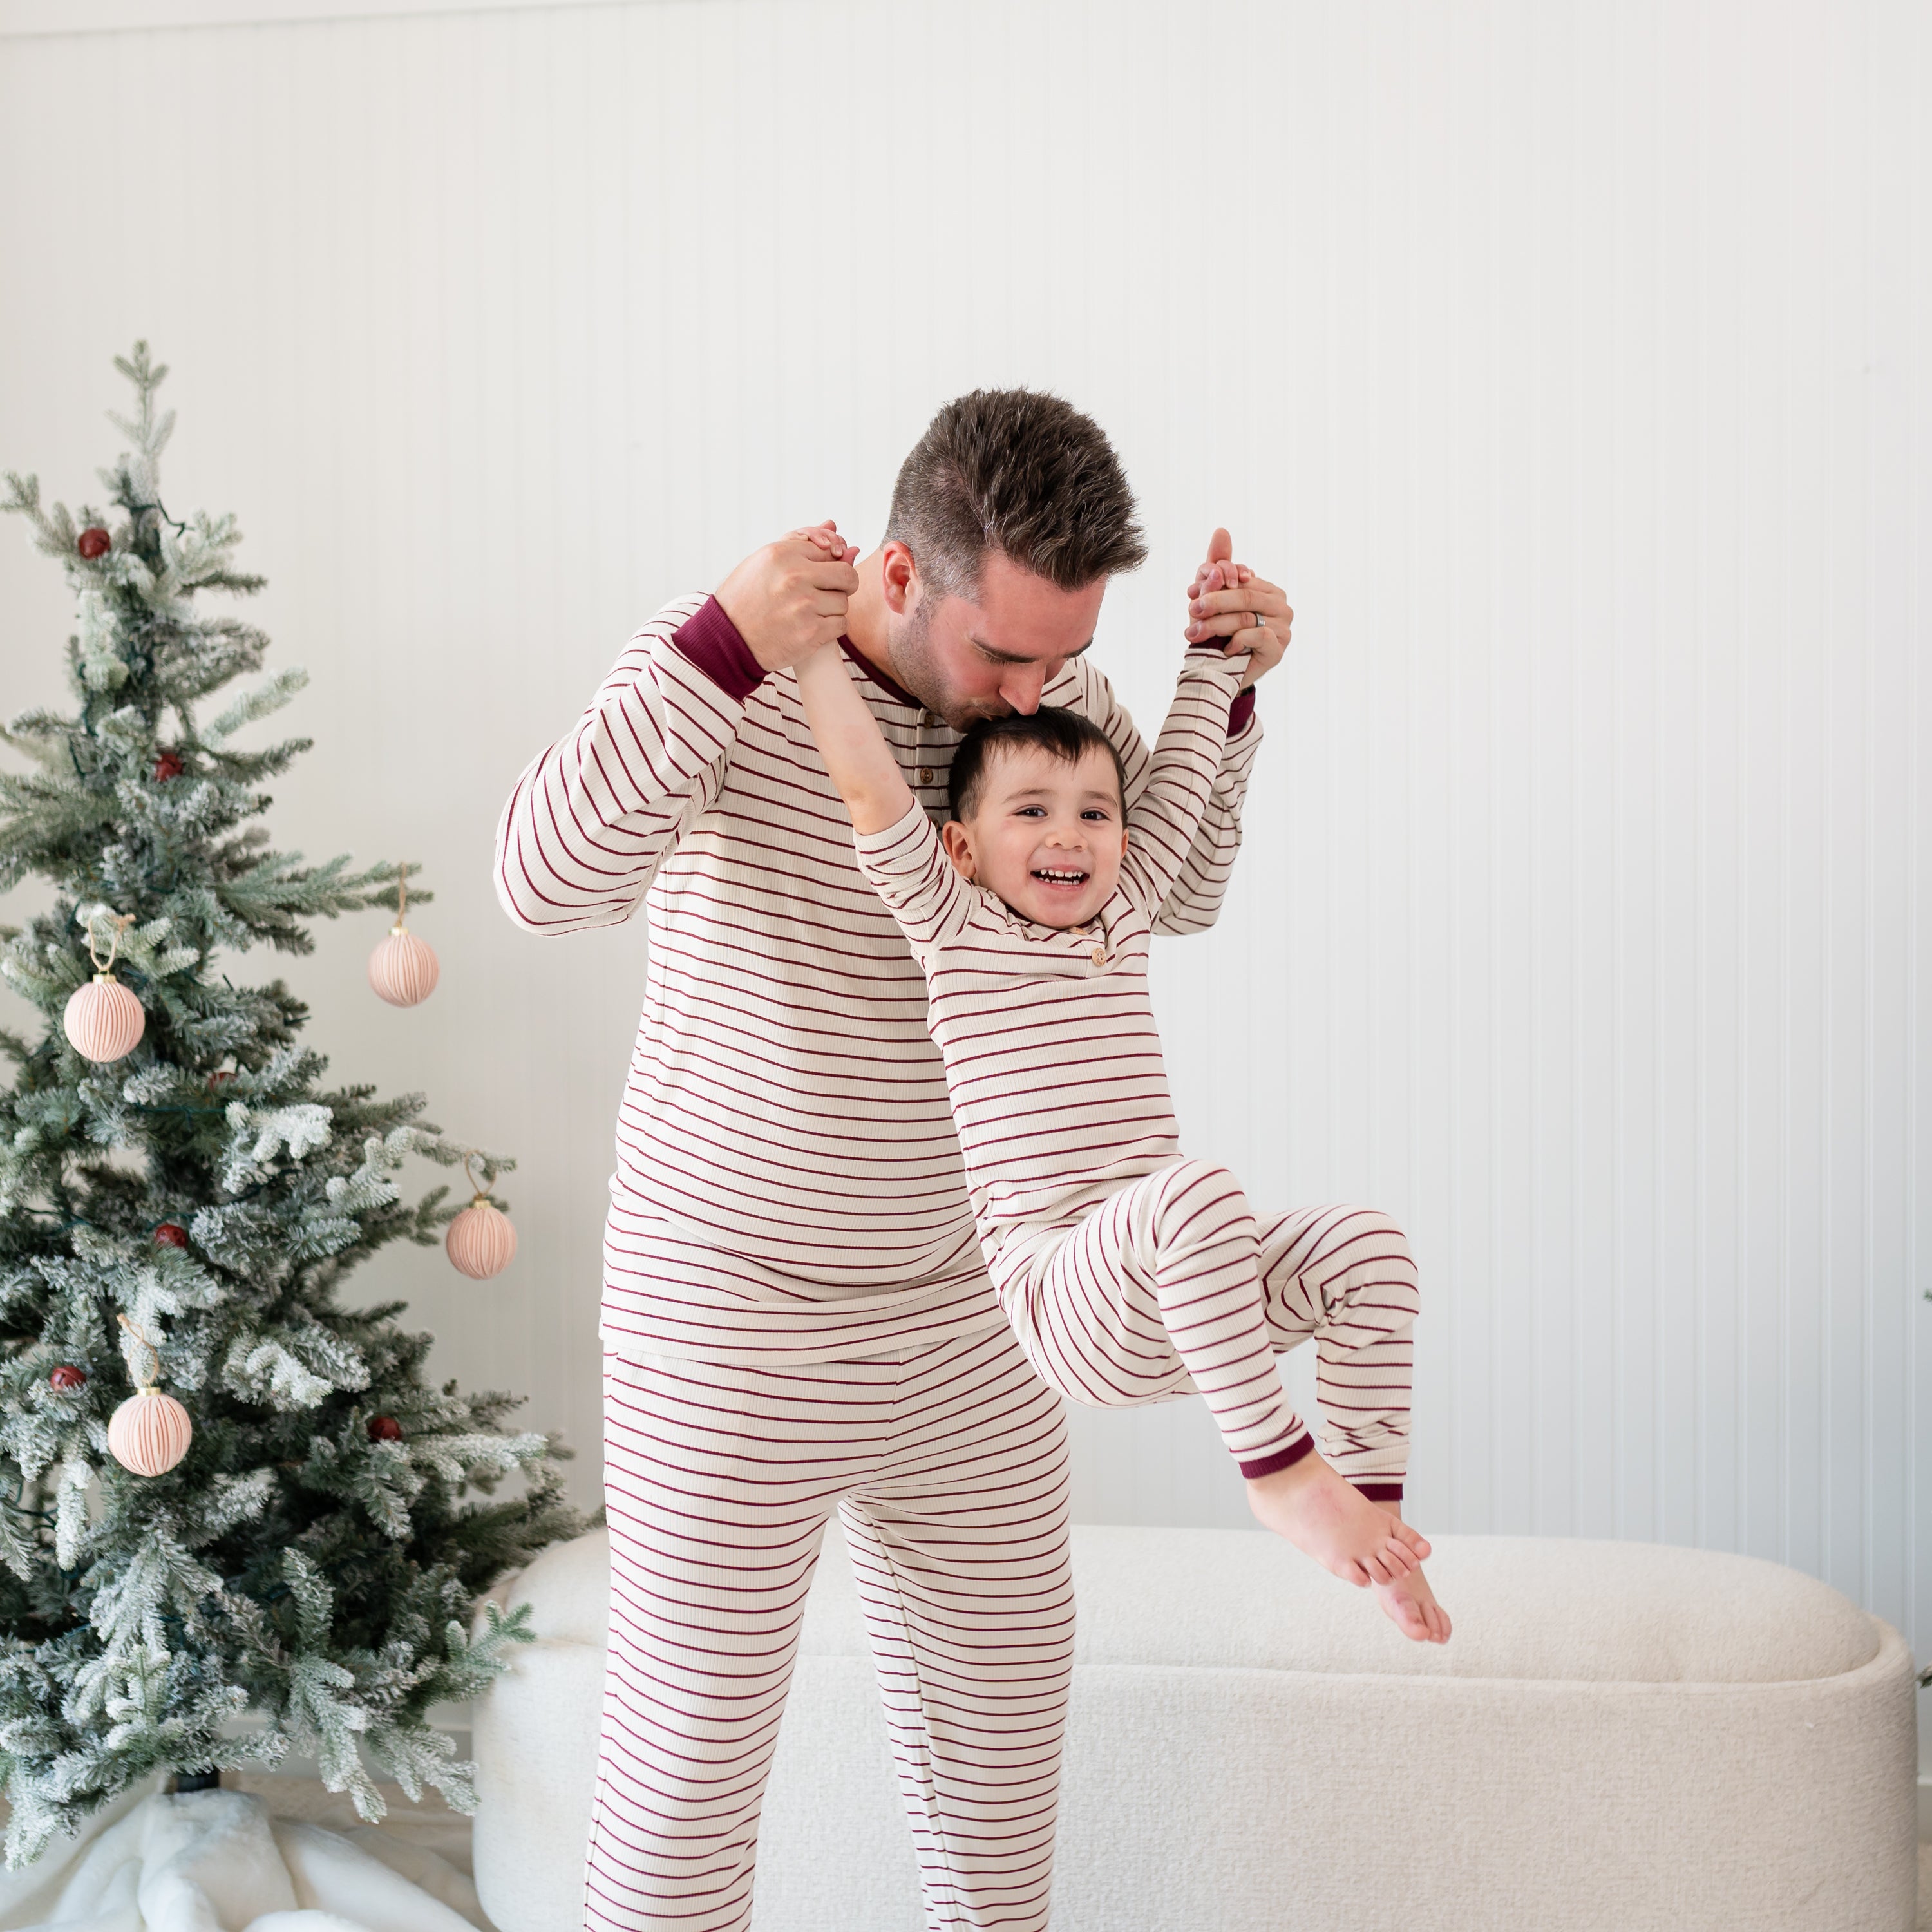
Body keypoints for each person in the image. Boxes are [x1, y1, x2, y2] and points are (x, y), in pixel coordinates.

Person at [493, 389, 1417, 1932]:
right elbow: (542, 884)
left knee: (999, 1771)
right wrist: (721, 642)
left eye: (1066, 655)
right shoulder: (737, 666)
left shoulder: (1045, 711)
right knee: (685, 1778)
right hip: (730, 1303)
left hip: (971, 1307)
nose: (1037, 690)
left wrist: (1228, 690)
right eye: (1007, 654)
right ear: (903, 578)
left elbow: (1165, 890)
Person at [796, 593, 1454, 1633]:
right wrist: (809, 658)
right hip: (1064, 1294)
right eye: (1032, 812)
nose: (1072, 836)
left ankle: (1377, 1526)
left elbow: (1184, 776)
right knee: (1194, 1194)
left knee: (1371, 1249)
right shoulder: (952, 925)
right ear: (962, 849)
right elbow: (870, 790)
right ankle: (1278, 1472)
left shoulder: (1128, 908)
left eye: (1096, 813)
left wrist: (1213, 660)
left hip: (1186, 1301)